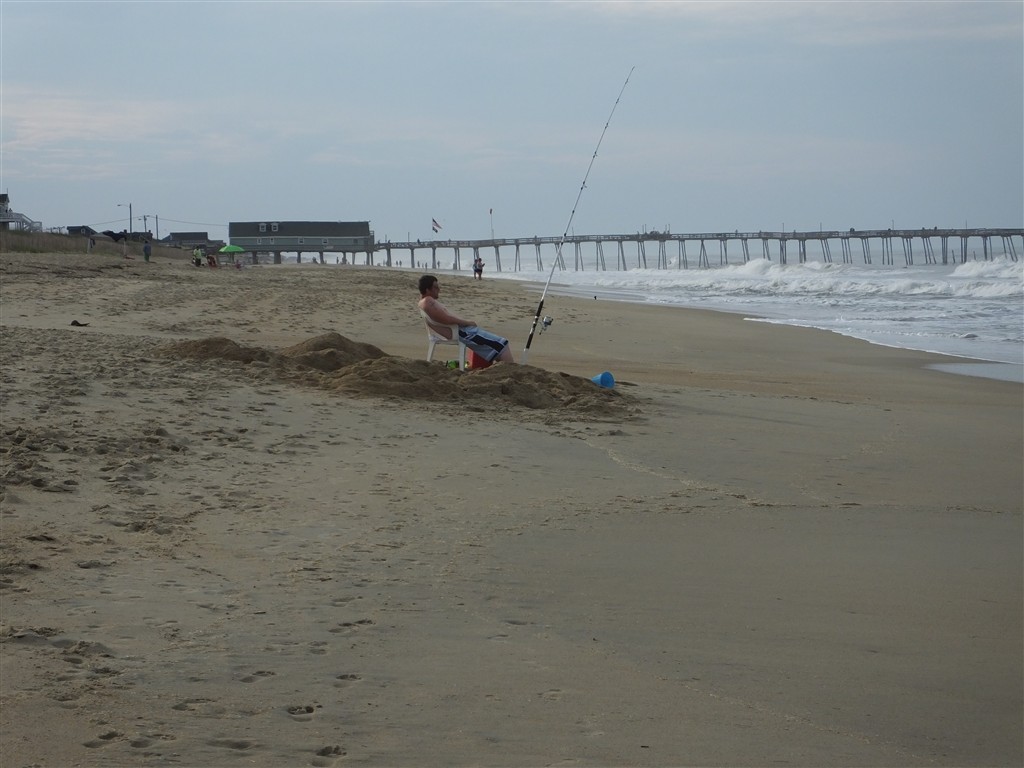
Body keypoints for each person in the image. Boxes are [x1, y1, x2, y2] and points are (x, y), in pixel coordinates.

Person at [417, 274, 514, 364]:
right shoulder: (427, 302)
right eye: (435, 287)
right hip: (462, 332)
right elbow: (447, 319)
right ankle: (511, 369)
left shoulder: (425, 302)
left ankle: (505, 366)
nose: (439, 289)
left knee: (497, 347)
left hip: (461, 331)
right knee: (501, 344)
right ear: (427, 290)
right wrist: (468, 323)